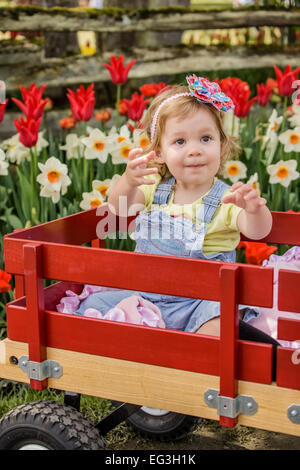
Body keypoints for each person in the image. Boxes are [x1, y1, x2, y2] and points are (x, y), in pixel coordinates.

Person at [75, 75, 276, 340]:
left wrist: (254, 210)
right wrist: (127, 181)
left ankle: (195, 359)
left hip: (201, 303)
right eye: (180, 142)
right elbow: (119, 208)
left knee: (220, 317)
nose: (194, 150)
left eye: (205, 139)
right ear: (158, 152)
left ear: (222, 145)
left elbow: (258, 230)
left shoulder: (227, 199)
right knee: (89, 307)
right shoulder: (153, 188)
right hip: (147, 297)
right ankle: (145, 349)